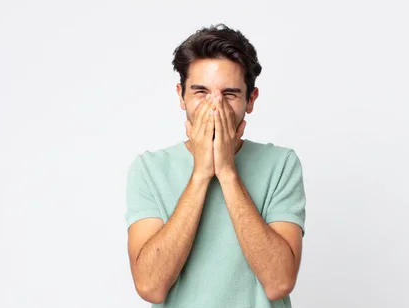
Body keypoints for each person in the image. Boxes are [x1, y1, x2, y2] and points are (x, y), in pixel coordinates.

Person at [125, 23, 307, 308]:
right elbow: (150, 286)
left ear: (251, 100)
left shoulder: (281, 164)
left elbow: (279, 282)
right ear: (181, 95)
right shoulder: (149, 169)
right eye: (201, 92)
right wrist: (200, 174)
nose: (215, 107)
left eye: (230, 94)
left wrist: (227, 172)